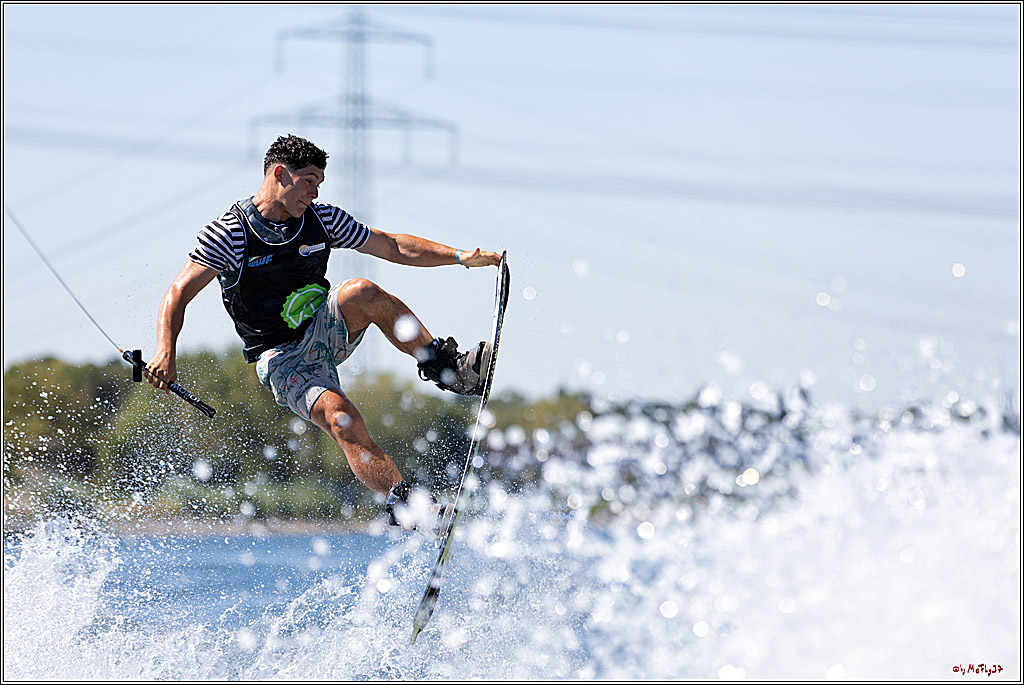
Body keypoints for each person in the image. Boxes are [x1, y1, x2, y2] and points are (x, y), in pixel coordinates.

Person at [145, 134, 501, 537]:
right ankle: (408, 507)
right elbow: (178, 292)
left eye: (319, 185)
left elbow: (392, 246)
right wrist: (165, 352)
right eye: (309, 182)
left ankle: (451, 371)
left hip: (324, 329)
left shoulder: (322, 219)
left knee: (361, 292)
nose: (314, 194)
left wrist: (458, 257)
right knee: (341, 417)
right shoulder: (232, 233)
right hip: (282, 358)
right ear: (281, 174)